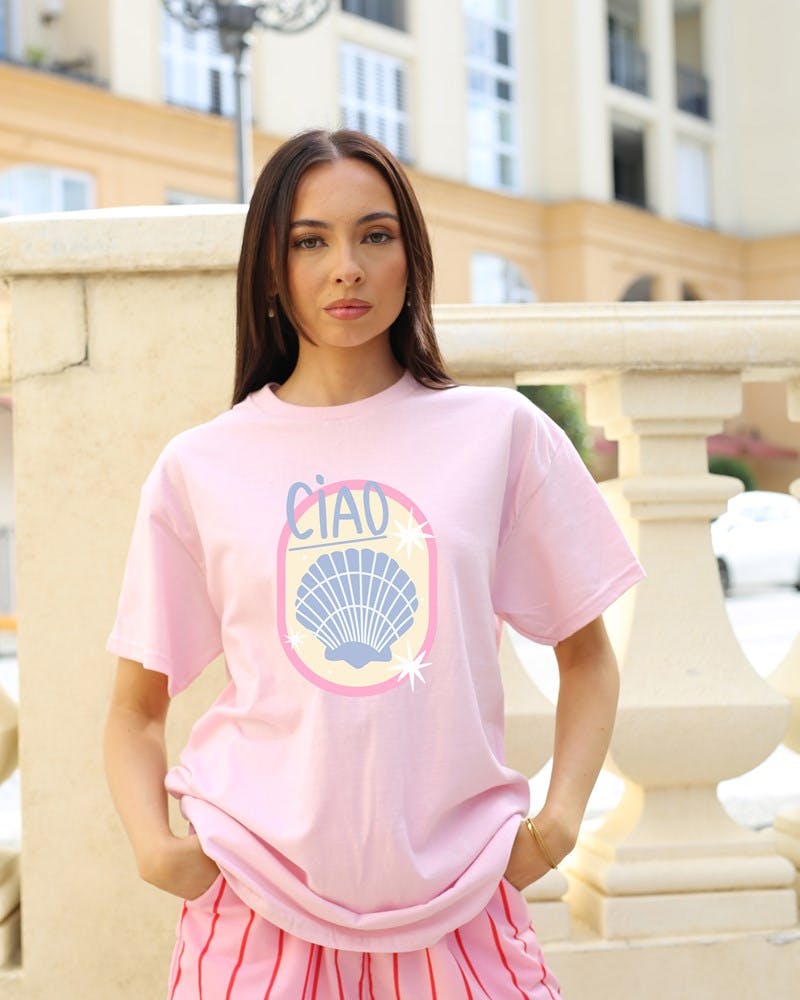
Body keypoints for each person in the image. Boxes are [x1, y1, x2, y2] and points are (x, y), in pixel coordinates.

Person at [104, 128, 645, 999]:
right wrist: (156, 849)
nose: (346, 268)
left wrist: (556, 826)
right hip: (255, 899)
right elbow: (136, 708)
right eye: (309, 241)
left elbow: (587, 656)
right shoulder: (199, 466)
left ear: (411, 256)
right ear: (270, 269)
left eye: (375, 235)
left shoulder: (500, 435)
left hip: (461, 897)